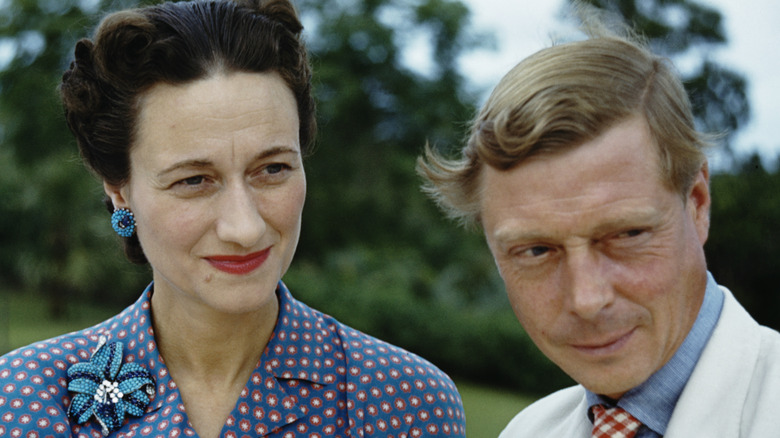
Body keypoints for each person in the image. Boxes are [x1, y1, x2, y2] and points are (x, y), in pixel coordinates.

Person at [0, 1, 465, 437]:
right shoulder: (23, 403)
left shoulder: (403, 405)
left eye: (272, 170)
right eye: (194, 180)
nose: (244, 228)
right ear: (121, 193)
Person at [418, 14, 780, 438]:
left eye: (627, 235)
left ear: (697, 204)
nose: (586, 299)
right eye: (537, 250)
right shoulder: (527, 431)